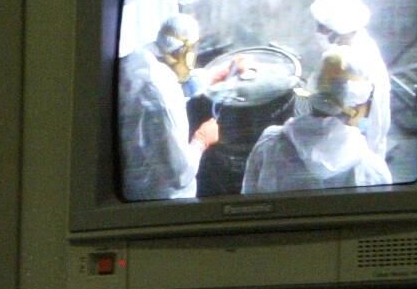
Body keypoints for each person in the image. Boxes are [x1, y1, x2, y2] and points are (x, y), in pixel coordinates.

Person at [240, 49, 394, 194]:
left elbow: (250, 198)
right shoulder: (372, 170)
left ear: (314, 88)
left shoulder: (269, 143)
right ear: (358, 104)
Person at [116, 12, 227, 200]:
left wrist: (212, 76)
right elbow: (180, 174)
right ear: (186, 50)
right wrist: (202, 140)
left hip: (129, 187)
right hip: (163, 199)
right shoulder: (162, 94)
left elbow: (176, 79)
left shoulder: (135, 61)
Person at [308, 0, 407, 175]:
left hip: (348, 122)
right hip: (359, 114)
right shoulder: (361, 39)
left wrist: (309, 96)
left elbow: (329, 106)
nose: (318, 31)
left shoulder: (340, 59)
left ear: (336, 31)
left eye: (321, 27)